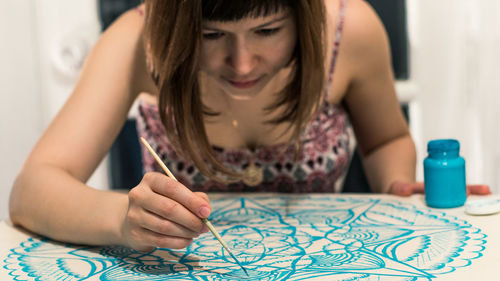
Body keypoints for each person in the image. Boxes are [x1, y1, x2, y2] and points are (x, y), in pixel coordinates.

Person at [9, 0, 490, 252]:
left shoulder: (353, 28)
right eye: (211, 35)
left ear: (304, 14)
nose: (241, 63)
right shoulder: (139, 39)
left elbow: (386, 137)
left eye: (267, 30)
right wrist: (121, 219)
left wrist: (394, 182)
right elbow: (31, 192)